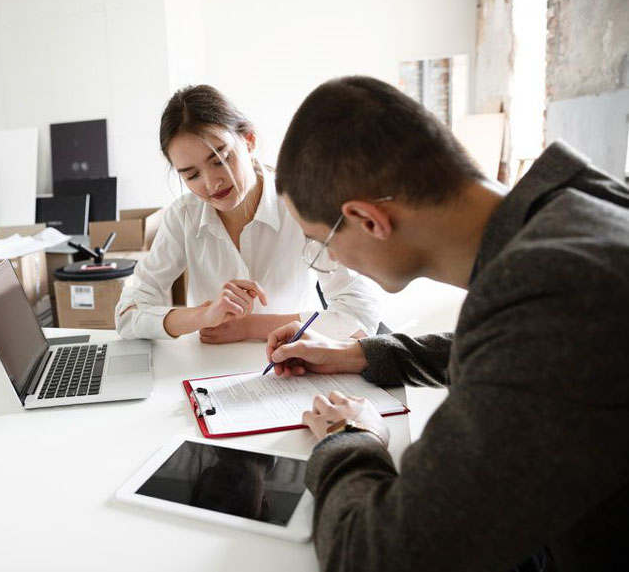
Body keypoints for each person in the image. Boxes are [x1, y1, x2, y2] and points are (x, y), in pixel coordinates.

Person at [265, 76, 629, 571]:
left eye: (321, 240)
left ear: (368, 219)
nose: (328, 256)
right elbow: (519, 349)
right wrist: (364, 353)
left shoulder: (554, 290)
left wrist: (349, 437)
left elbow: (375, 557)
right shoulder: (576, 212)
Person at [115, 85, 380, 344]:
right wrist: (203, 315)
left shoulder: (302, 203)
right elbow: (127, 315)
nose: (211, 184)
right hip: (206, 373)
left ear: (249, 140)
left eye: (220, 160)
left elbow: (361, 314)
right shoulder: (183, 215)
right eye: (192, 175)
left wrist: (251, 326)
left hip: (295, 366)